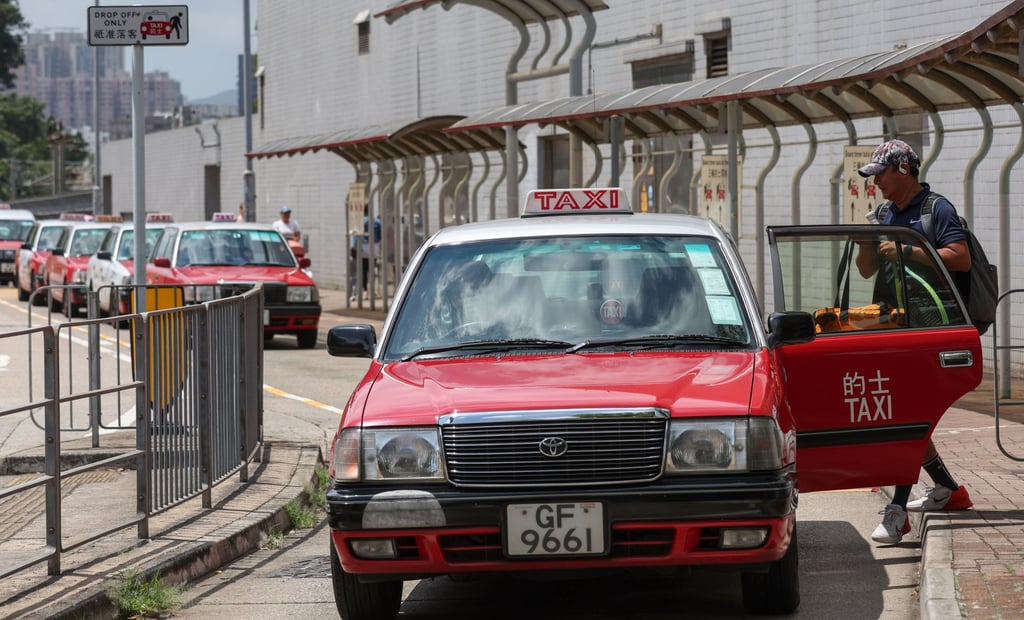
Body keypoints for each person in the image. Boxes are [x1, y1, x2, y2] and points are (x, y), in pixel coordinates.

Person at [854, 139, 974, 545]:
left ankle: (897, 511)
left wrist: (909, 250)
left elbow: (960, 257)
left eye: (881, 175)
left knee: (905, 414)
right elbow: (867, 271)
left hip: (928, 326)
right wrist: (867, 242)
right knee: (906, 414)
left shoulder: (936, 209)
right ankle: (949, 490)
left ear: (903, 169)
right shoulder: (884, 213)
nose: (876, 184)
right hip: (892, 325)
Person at [350, 206, 381, 301]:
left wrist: (354, 247)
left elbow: (355, 237)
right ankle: (372, 289)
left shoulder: (359, 221)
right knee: (371, 269)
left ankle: (365, 290)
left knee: (363, 270)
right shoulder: (377, 221)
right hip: (374, 247)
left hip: (363, 247)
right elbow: (380, 236)